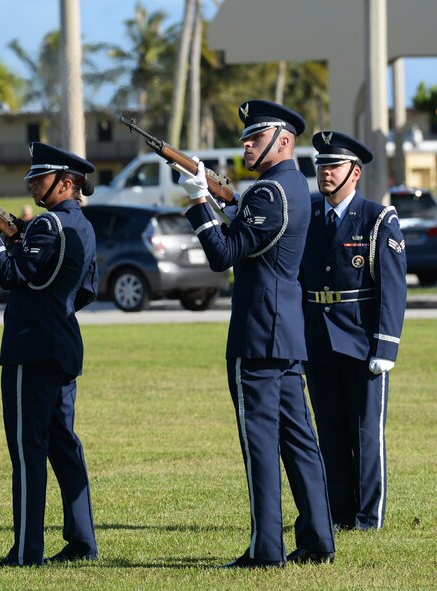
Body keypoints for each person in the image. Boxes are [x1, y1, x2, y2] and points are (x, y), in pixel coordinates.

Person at [178, 100, 335, 567]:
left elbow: (224, 254)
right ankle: (317, 539)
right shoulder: (289, 187)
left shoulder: (268, 192)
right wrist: (222, 198)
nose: (245, 144)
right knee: (299, 441)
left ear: (282, 141)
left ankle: (266, 550)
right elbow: (251, 244)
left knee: (261, 444)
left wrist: (197, 202)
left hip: (258, 333)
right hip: (283, 332)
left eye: (255, 136)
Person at [0, 142, 99, 567]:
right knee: (63, 445)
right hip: (61, 343)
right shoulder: (83, 226)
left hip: (31, 348)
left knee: (28, 450)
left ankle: (26, 550)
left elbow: (10, 274)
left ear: (66, 183)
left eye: (39, 179)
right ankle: (81, 540)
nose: (32, 185)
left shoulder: (48, 226)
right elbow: (85, 291)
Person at [300, 131, 407, 531]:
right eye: (321, 165)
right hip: (318, 340)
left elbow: (393, 288)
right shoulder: (309, 215)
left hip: (362, 342)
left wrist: (386, 346)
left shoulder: (379, 219)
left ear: (355, 172)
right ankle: (339, 513)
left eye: (334, 165)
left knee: (364, 433)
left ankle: (367, 517)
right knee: (330, 431)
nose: (325, 173)